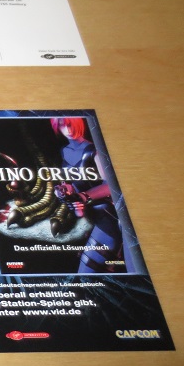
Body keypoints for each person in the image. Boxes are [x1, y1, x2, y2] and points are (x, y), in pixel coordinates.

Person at [50, 117, 128, 273]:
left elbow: (111, 186)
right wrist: (65, 191)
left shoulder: (94, 151)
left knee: (87, 273)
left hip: (108, 216)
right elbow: (70, 184)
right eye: (63, 125)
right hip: (90, 217)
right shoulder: (64, 151)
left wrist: (84, 196)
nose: (68, 129)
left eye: (71, 124)